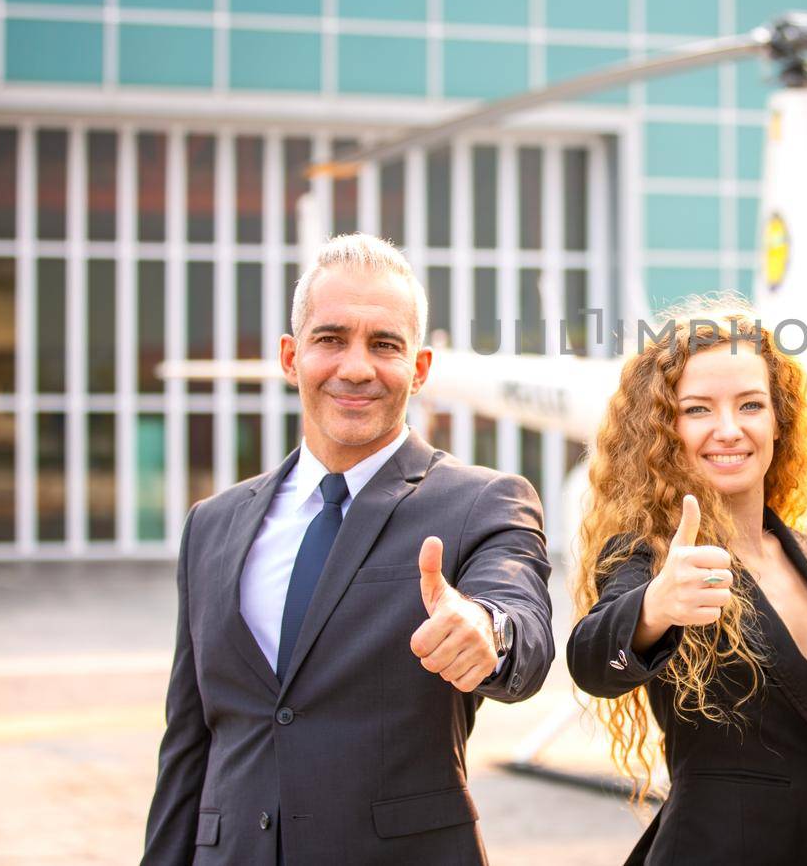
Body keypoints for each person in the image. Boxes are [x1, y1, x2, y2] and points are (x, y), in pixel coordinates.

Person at [142, 233, 553, 866]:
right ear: (290, 356)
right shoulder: (211, 526)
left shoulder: (485, 503)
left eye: (384, 344)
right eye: (331, 339)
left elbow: (521, 620)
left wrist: (488, 630)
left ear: (418, 368)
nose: (356, 367)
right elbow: (189, 744)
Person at [567, 302, 807, 865]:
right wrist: (655, 606)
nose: (729, 430)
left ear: (779, 418)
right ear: (665, 430)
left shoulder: (804, 550)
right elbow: (591, 657)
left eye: (750, 404)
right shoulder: (649, 555)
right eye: (697, 409)